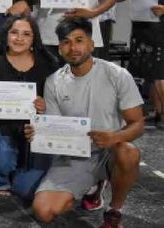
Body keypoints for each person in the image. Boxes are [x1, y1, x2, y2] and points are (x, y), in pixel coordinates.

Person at [28, 17, 144, 227]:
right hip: (75, 154)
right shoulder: (54, 81)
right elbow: (54, 126)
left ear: (91, 43)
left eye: (79, 40)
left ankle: (114, 210)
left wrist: (113, 137)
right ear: (60, 48)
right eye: (66, 42)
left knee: (129, 152)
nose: (73, 47)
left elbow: (137, 124)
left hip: (111, 150)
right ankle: (93, 185)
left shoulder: (117, 75)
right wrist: (38, 132)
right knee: (43, 211)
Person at [0, 15, 58, 200]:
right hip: (1, 125)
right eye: (14, 33)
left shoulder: (48, 66)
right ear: (6, 36)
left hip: (35, 129)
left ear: (34, 38)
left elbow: (59, 103)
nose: (19, 38)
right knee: (1, 159)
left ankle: (19, 168)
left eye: (26, 34)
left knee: (26, 189)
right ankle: (1, 177)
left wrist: (46, 105)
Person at [128, 0, 164, 128]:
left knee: (160, 74)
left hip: (160, 29)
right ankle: (156, 113)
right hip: (142, 27)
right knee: (148, 73)